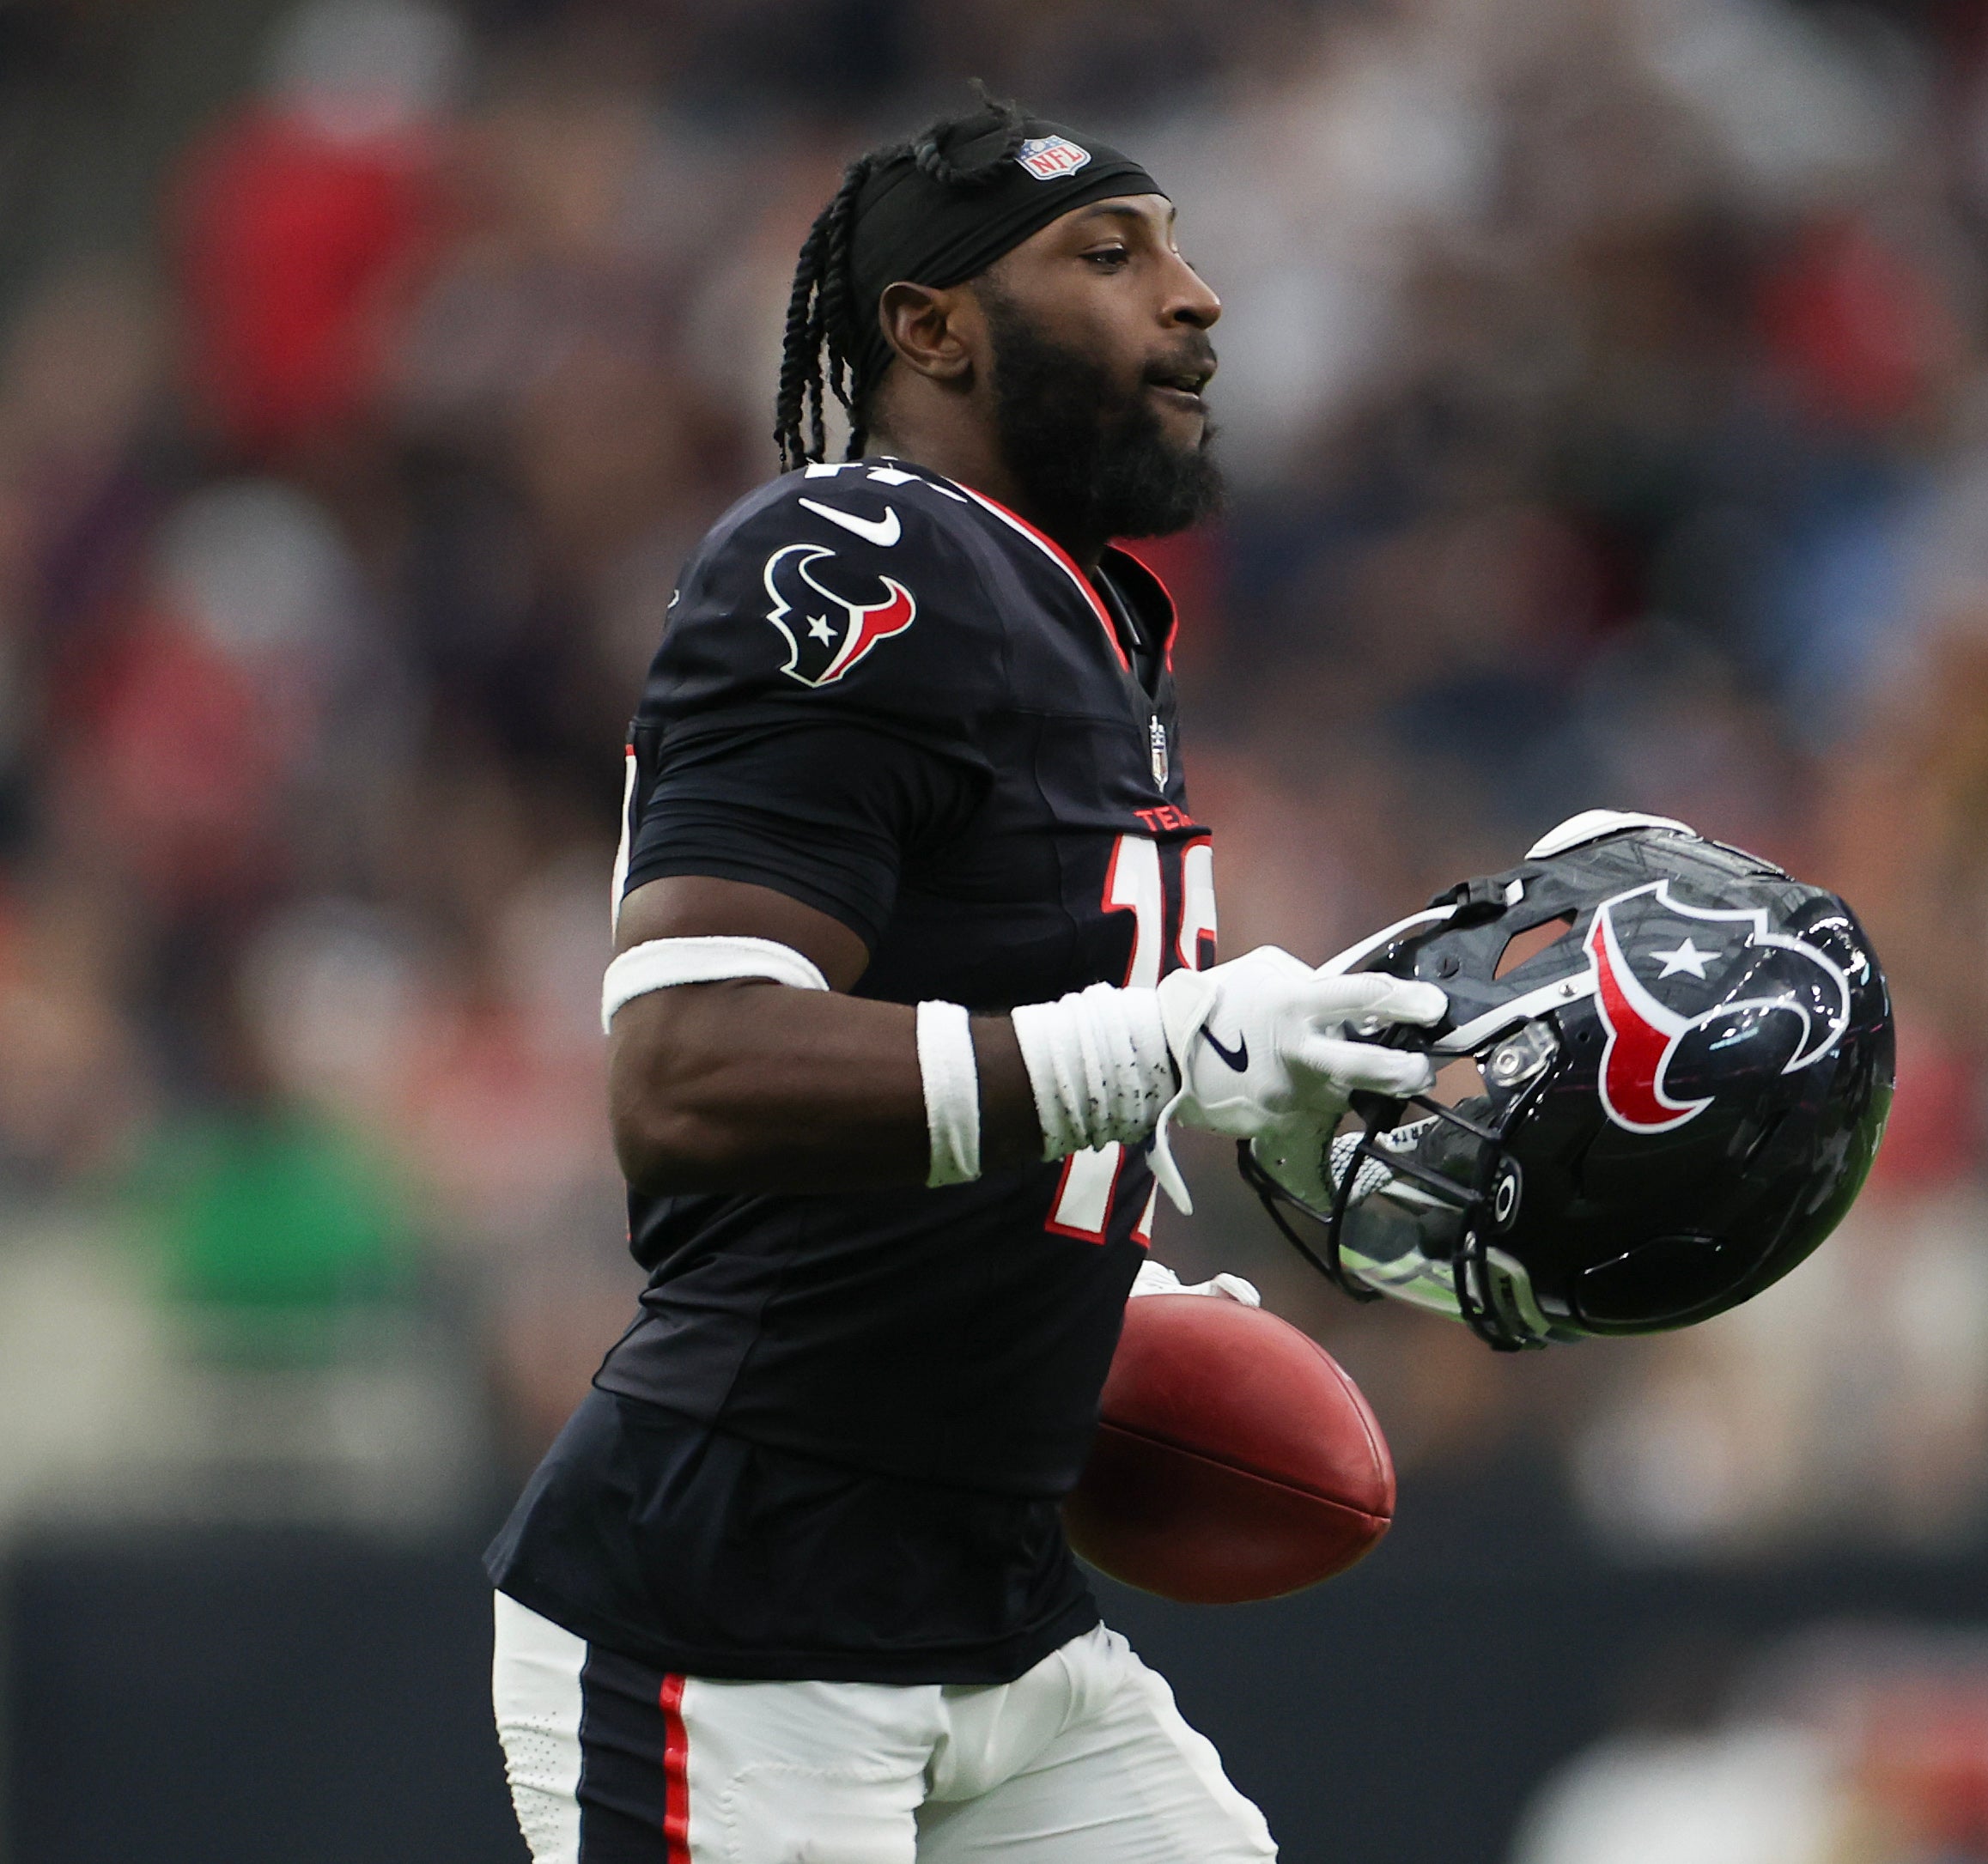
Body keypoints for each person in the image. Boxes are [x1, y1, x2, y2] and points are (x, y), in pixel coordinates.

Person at [480, 95, 1444, 1864]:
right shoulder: (853, 557)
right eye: (1109, 253)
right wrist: (1159, 1043)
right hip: (738, 1618)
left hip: (991, 1605)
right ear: (926, 326)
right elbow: (688, 1072)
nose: (1196, 297)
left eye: (1177, 244)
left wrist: (1099, 1282)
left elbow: (989, 1033)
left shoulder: (1066, 604)